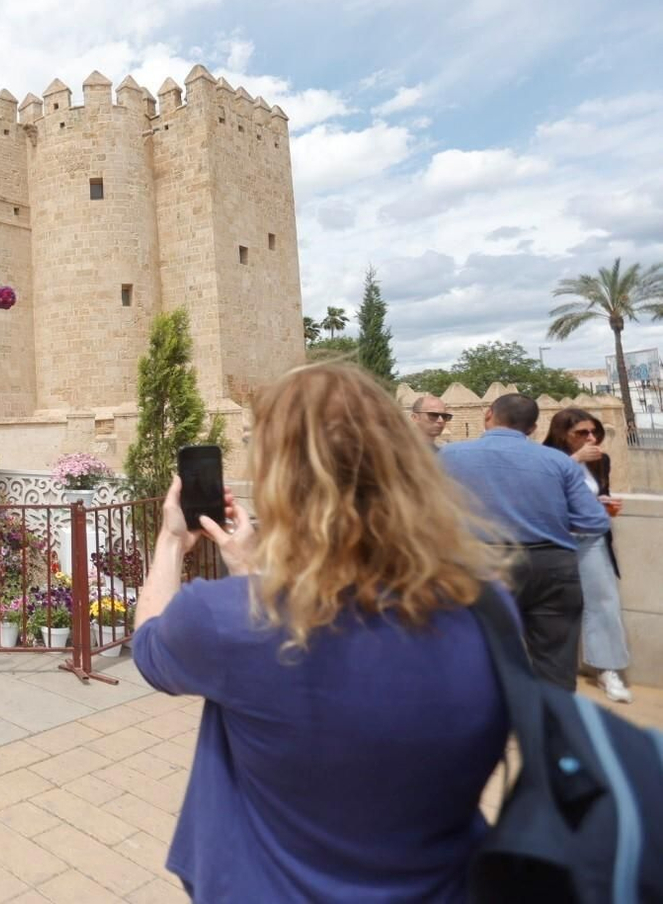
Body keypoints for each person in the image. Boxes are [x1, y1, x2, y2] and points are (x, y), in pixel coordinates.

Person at [132, 363, 510, 902]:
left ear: (279, 479)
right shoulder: (488, 605)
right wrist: (251, 574)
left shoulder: (226, 619)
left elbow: (150, 648)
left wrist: (173, 542)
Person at [440, 393, 610, 690]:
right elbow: (594, 521)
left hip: (480, 564)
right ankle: (553, 729)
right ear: (532, 428)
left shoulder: (450, 456)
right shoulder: (559, 462)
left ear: (488, 414)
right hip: (551, 567)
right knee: (555, 662)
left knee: (476, 656)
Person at [542, 409, 631, 703]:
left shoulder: (600, 460)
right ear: (561, 433)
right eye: (582, 433)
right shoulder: (544, 458)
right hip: (553, 542)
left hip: (591, 541)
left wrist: (603, 503)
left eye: (594, 432)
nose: (591, 438)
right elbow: (541, 492)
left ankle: (608, 670)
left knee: (604, 603)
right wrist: (573, 461)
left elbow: (591, 495)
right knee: (550, 608)